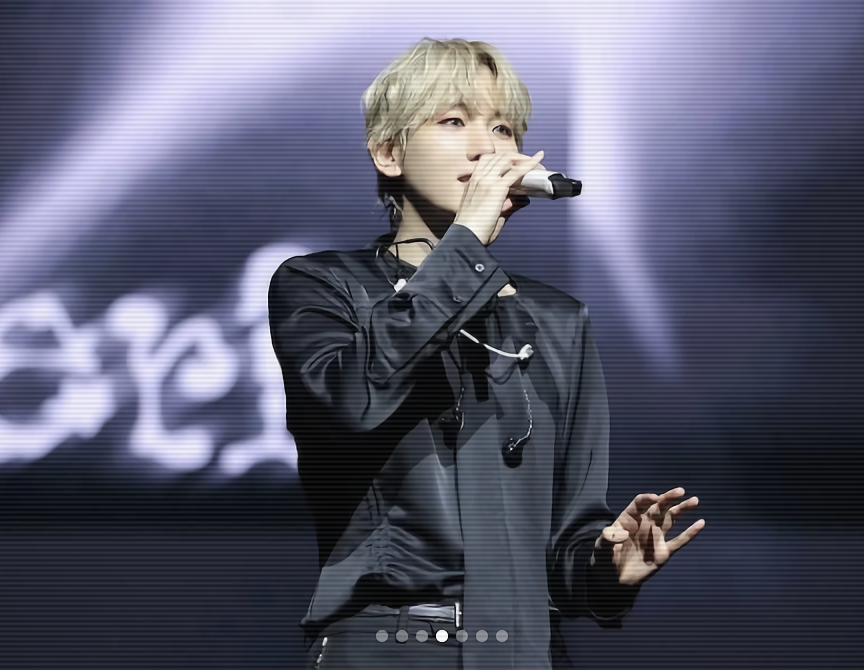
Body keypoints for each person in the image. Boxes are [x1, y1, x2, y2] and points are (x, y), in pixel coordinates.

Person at [268, 37, 705, 670]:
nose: (486, 147)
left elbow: (569, 537)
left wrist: (606, 566)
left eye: (502, 128)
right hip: (388, 646)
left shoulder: (557, 320)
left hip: (522, 651)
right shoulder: (323, 286)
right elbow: (351, 403)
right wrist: (467, 242)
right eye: (454, 121)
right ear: (389, 153)